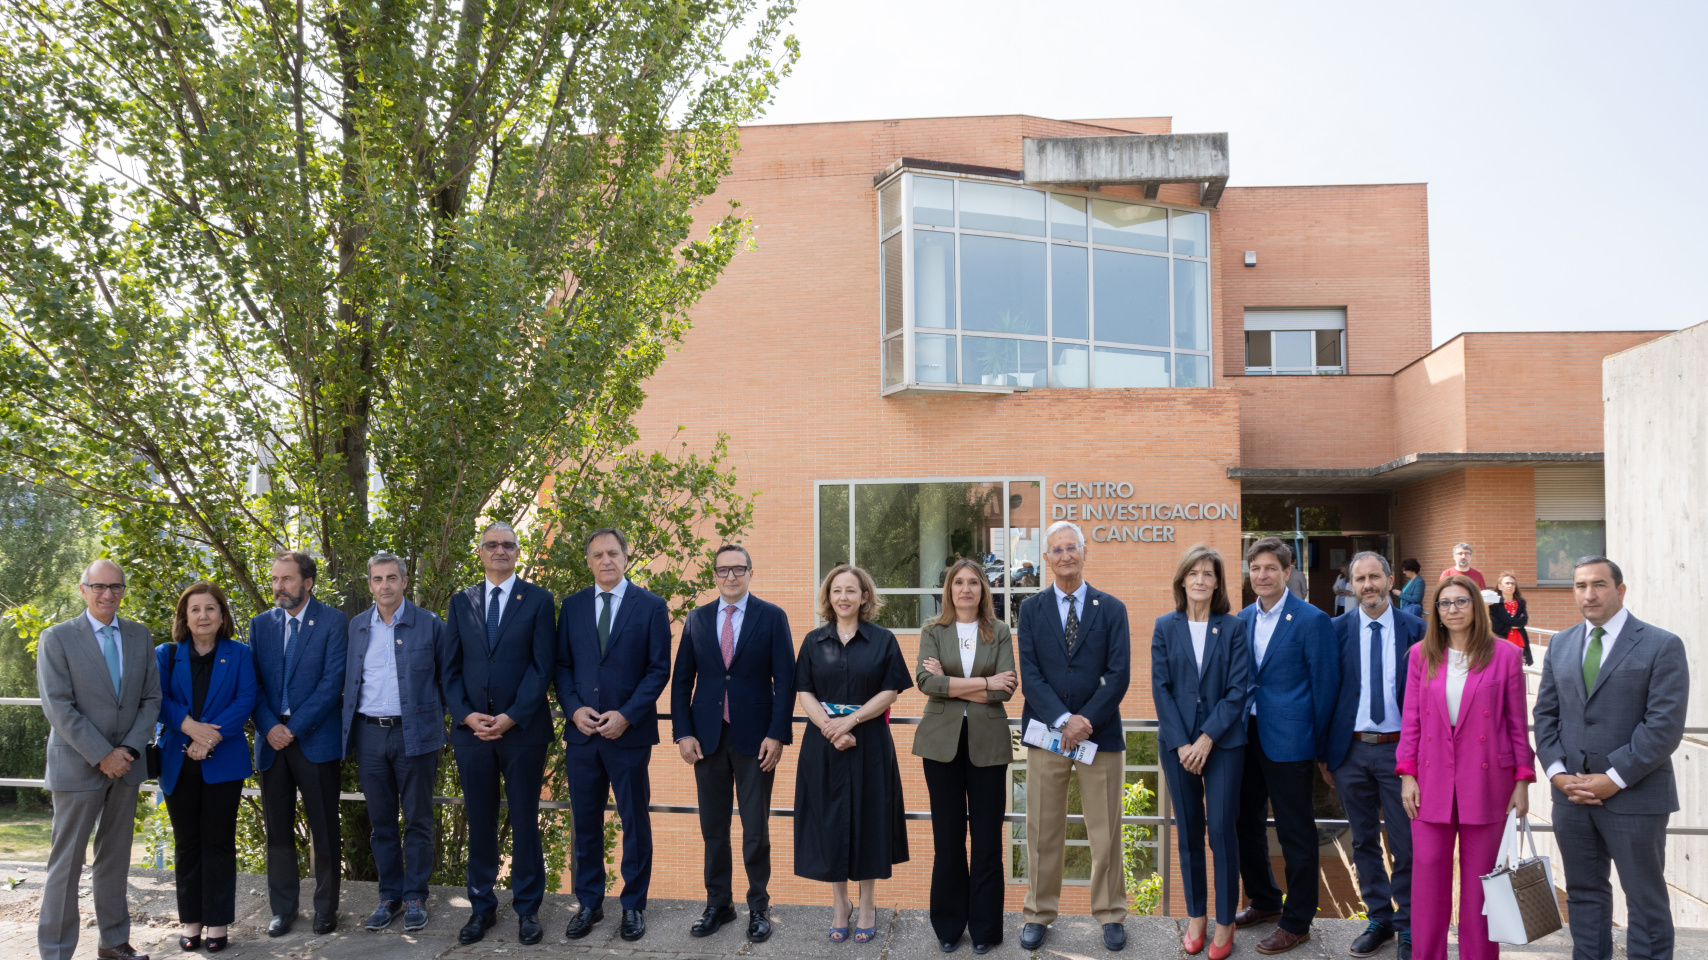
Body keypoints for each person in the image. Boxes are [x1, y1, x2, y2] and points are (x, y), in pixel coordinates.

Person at [1532, 557, 1688, 960]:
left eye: (1599, 585)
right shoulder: (1561, 644)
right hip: (1571, 796)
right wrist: (1557, 773)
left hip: (1635, 796)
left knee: (1644, 900)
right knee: (1583, 895)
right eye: (1580, 586)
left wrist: (1614, 778)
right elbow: (1545, 716)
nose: (1589, 594)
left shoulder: (1661, 644)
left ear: (1620, 590)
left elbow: (1663, 726)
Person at [1396, 575, 1532, 960]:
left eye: (1461, 601)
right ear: (1436, 612)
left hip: (1488, 782)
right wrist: (1407, 774)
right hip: (1430, 781)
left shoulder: (1505, 655)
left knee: (1481, 887)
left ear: (1476, 606)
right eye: (1444, 603)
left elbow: (1516, 723)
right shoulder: (1421, 655)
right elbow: (1411, 721)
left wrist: (1522, 780)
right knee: (1427, 884)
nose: (1452, 609)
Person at [36, 559, 162, 960]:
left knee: (115, 858)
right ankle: (56, 951)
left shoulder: (139, 635)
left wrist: (128, 750)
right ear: (83, 589)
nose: (108, 594)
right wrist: (102, 754)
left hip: (127, 766)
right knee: (66, 864)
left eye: (116, 587)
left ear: (123, 590)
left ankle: (113, 942)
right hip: (77, 766)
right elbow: (58, 706)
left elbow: (151, 699)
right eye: (99, 586)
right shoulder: (57, 638)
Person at [670, 544, 795, 943]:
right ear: (714, 575)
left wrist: (777, 734)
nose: (730, 576)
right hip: (706, 738)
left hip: (756, 740)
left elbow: (786, 681)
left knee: (755, 828)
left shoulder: (772, 617)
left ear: (750, 572)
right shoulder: (697, 619)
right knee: (713, 827)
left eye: (738, 569)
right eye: (723, 570)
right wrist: (682, 732)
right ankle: (719, 904)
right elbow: (681, 681)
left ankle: (759, 907)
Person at [1016, 520, 1131, 953]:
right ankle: (1038, 913)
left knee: (1106, 832)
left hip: (1100, 737)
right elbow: (1031, 675)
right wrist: (1064, 720)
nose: (1065, 555)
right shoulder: (1031, 609)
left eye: (1072, 547)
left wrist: (1085, 722)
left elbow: (1118, 675)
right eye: (1057, 549)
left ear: (1085, 552)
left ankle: (1111, 913)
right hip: (1048, 734)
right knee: (1042, 829)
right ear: (1047, 559)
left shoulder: (1112, 608)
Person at [441, 521, 557, 945]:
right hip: (472, 733)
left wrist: (511, 716)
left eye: (508, 545)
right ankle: (481, 908)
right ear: (481, 552)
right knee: (479, 819)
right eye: (492, 545)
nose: (500, 551)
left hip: (523, 731)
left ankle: (528, 910)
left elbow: (543, 667)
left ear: (517, 552)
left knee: (525, 819)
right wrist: (466, 715)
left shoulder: (539, 600)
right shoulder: (461, 602)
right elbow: (449, 669)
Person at [558, 528, 672, 943]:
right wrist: (573, 709)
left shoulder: (651, 606)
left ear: (625, 557)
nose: (605, 560)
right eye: (597, 555)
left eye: (612, 553)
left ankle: (633, 906)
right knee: (585, 823)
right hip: (583, 735)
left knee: (634, 823)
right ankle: (589, 903)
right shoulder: (571, 607)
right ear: (588, 561)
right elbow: (562, 666)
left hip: (629, 735)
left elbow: (658, 669)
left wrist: (626, 715)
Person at [794, 564, 912, 944]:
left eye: (851, 590)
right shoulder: (813, 642)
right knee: (829, 821)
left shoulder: (883, 640)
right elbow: (805, 692)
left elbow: (890, 691)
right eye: (836, 590)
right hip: (823, 744)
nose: (843, 597)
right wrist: (831, 729)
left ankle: (867, 904)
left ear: (864, 597)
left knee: (869, 821)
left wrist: (850, 722)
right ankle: (839, 904)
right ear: (828, 598)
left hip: (870, 742)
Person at [1233, 537, 1337, 955]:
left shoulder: (1312, 620)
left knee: (1296, 831)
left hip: (1291, 741)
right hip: (1245, 737)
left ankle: (1297, 922)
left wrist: (1323, 750)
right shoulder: (1242, 618)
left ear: (1287, 572)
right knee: (1245, 823)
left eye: (1270, 568)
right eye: (1256, 568)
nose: (1262, 575)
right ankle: (1264, 900)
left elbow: (1325, 688)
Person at [1152, 545, 1251, 960]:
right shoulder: (1164, 626)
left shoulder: (1233, 627)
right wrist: (1182, 743)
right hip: (1177, 745)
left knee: (1222, 830)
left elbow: (1238, 689)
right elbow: (1161, 688)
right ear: (1182, 580)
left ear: (1217, 583)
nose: (1200, 580)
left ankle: (1225, 920)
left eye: (1208, 574)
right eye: (1193, 573)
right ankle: (1197, 916)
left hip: (1222, 742)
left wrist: (1207, 738)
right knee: (1189, 831)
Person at [1324, 552, 1425, 960]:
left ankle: (1409, 925)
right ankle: (1379, 919)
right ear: (1351, 584)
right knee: (1363, 840)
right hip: (1350, 751)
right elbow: (1325, 694)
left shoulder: (1417, 630)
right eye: (1360, 578)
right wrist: (1325, 755)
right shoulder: (1335, 630)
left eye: (1374, 577)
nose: (1368, 585)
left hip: (1401, 754)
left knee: (1407, 844)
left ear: (1389, 580)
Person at [915, 557, 1018, 955]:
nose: (966, 589)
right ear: (949, 589)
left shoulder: (1000, 631)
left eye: (973, 582)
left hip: (988, 744)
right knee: (948, 839)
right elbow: (926, 682)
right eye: (958, 582)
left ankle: (986, 929)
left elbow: (1006, 689)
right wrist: (984, 682)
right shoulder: (932, 630)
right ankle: (948, 926)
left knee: (988, 841)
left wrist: (952, 682)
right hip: (940, 745)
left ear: (983, 590)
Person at [341, 552, 447, 934]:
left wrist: (430, 718)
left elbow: (447, 679)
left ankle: (415, 897)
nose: (384, 585)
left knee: (418, 819)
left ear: (404, 581)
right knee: (381, 821)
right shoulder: (356, 626)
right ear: (370, 585)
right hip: (369, 734)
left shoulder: (429, 624)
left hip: (414, 733)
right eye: (377, 579)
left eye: (391, 578)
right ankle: (389, 897)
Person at [250, 550, 348, 938]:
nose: (279, 586)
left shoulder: (333, 621)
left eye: (287, 579)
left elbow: (332, 683)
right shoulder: (261, 625)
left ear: (307, 582)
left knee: (324, 830)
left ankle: (326, 909)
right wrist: (270, 726)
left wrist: (294, 728)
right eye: (275, 579)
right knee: (278, 831)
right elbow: (252, 684)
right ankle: (283, 909)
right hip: (271, 742)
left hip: (314, 739)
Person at [158, 581, 256, 953]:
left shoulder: (240, 654)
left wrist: (208, 738)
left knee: (218, 842)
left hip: (223, 760)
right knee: (187, 844)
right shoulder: (166, 654)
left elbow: (245, 699)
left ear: (222, 615)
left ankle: (217, 922)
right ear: (184, 616)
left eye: (210, 608)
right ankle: (191, 920)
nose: (203, 616)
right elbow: (158, 699)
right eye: (195, 609)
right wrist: (190, 728)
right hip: (177, 759)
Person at [1488, 572, 1532, 666]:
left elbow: (1524, 620)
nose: (1510, 586)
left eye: (1512, 583)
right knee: (1502, 667)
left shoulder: (1521, 602)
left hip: (1519, 639)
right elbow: (1496, 625)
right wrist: (1512, 625)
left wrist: (1508, 623)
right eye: (1507, 583)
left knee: (1518, 668)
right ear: (1500, 586)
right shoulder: (1494, 603)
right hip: (1502, 639)